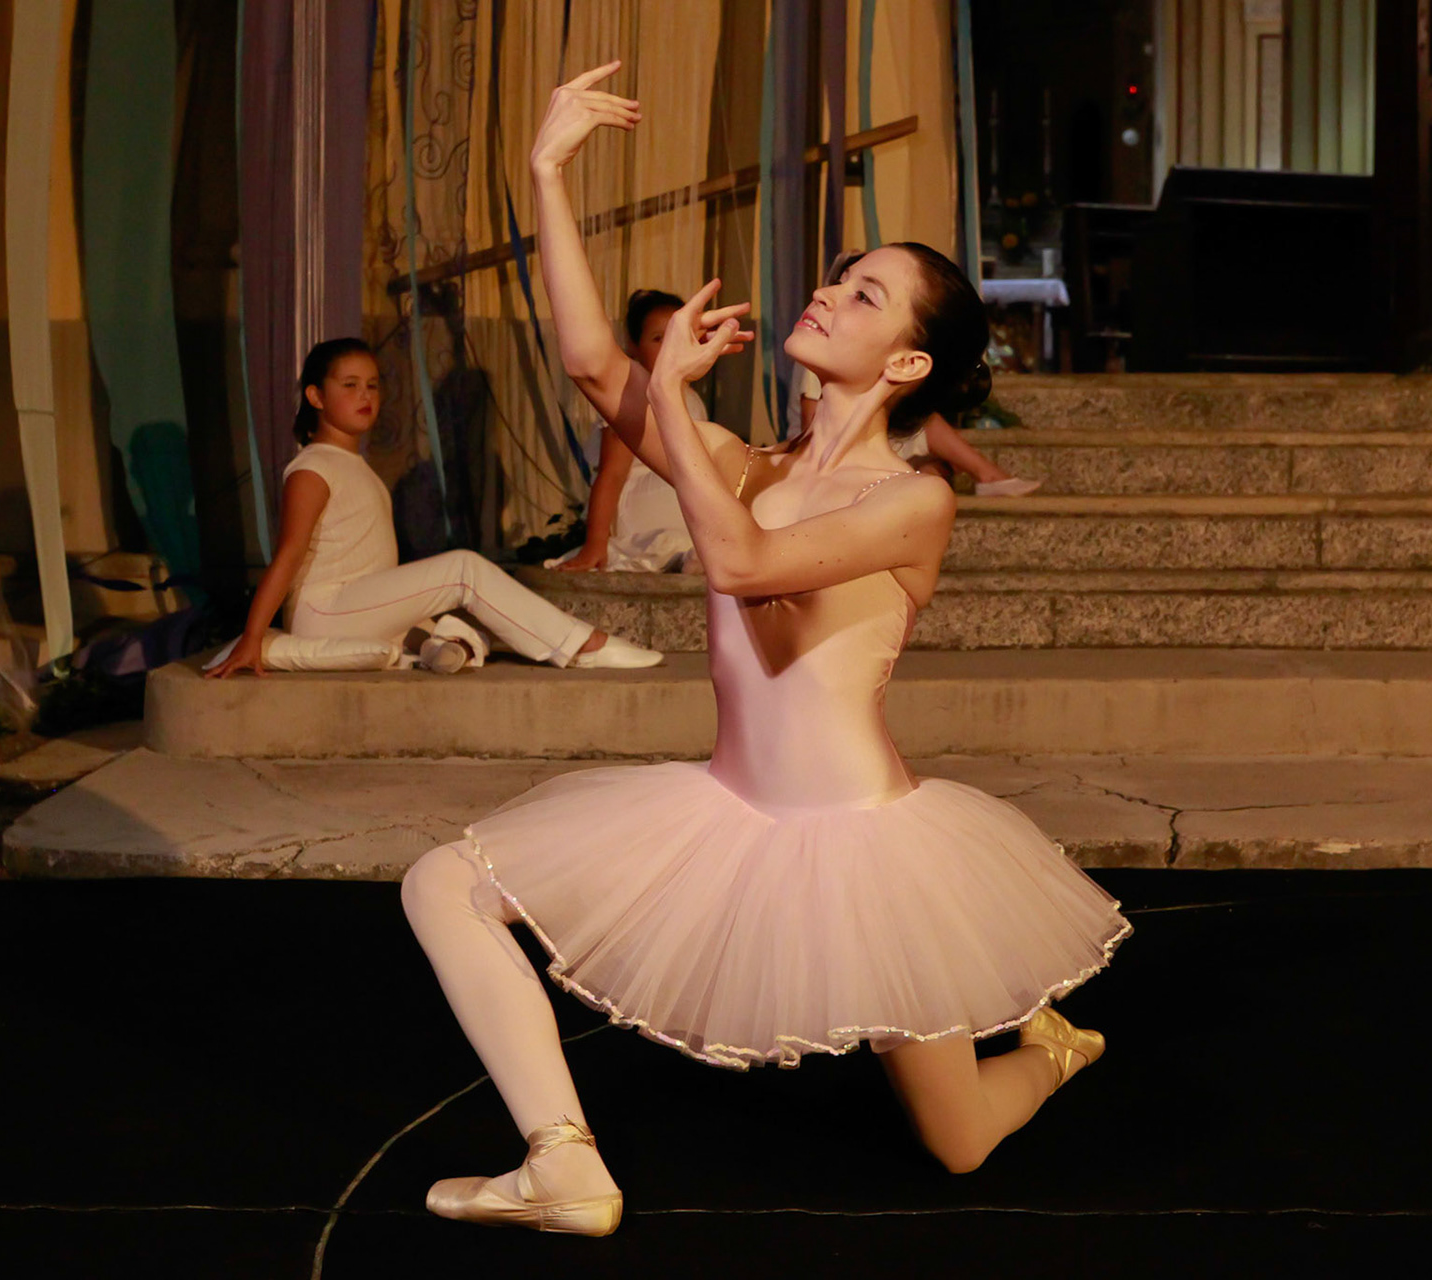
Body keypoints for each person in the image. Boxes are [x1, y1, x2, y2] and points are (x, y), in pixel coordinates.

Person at [399, 62, 1128, 1237]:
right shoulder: (754, 466)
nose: (834, 293)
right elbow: (595, 366)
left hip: (869, 846)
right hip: (730, 804)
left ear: (905, 365)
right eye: (841, 275)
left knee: (961, 1140)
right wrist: (546, 169)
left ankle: (1049, 1045)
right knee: (443, 880)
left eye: (869, 293)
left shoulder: (915, 498)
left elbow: (738, 565)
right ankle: (563, 1160)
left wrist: (680, 409)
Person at [204, 337, 662, 679]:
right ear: (316, 397)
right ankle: (582, 644)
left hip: (359, 604)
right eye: (350, 385)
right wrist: (252, 636)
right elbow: (288, 554)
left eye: (373, 385)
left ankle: (440, 647)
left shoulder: (351, 464)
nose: (366, 395)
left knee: (455, 624)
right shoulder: (312, 468)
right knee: (463, 570)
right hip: (328, 610)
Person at [793, 250, 1042, 497]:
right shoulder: (763, 464)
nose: (821, 293)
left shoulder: (908, 501)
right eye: (840, 281)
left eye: (863, 297)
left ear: (907, 364)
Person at [547, 289, 709, 573]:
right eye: (658, 339)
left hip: (682, 507)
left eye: (679, 336)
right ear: (632, 346)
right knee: (672, 531)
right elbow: (612, 473)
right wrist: (595, 544)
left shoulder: (691, 398)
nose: (670, 347)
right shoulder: (633, 395)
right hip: (638, 509)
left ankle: (694, 555)